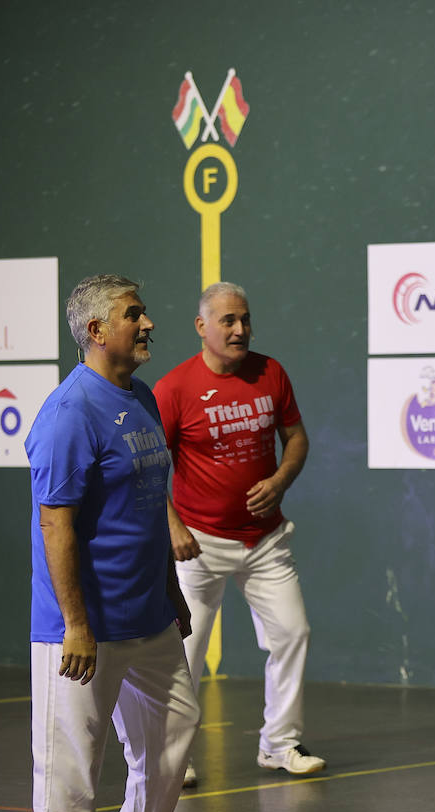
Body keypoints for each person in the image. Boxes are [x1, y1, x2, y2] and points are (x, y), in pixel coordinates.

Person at [25, 275, 200, 812]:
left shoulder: (143, 398)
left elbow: (152, 507)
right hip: (82, 627)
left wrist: (173, 592)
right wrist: (76, 621)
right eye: (134, 314)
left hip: (149, 614)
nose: (149, 322)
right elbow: (56, 522)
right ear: (97, 331)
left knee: (175, 731)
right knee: (72, 763)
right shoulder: (69, 414)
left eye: (145, 311)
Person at [153, 282, 323, 785]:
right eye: (228, 321)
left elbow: (295, 438)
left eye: (245, 319)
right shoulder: (175, 388)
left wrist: (280, 480)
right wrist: (173, 527)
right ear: (202, 327)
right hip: (198, 545)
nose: (240, 329)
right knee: (185, 650)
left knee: (293, 632)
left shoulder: (271, 373)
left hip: (266, 541)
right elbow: (147, 467)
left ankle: (280, 744)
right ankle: (172, 756)